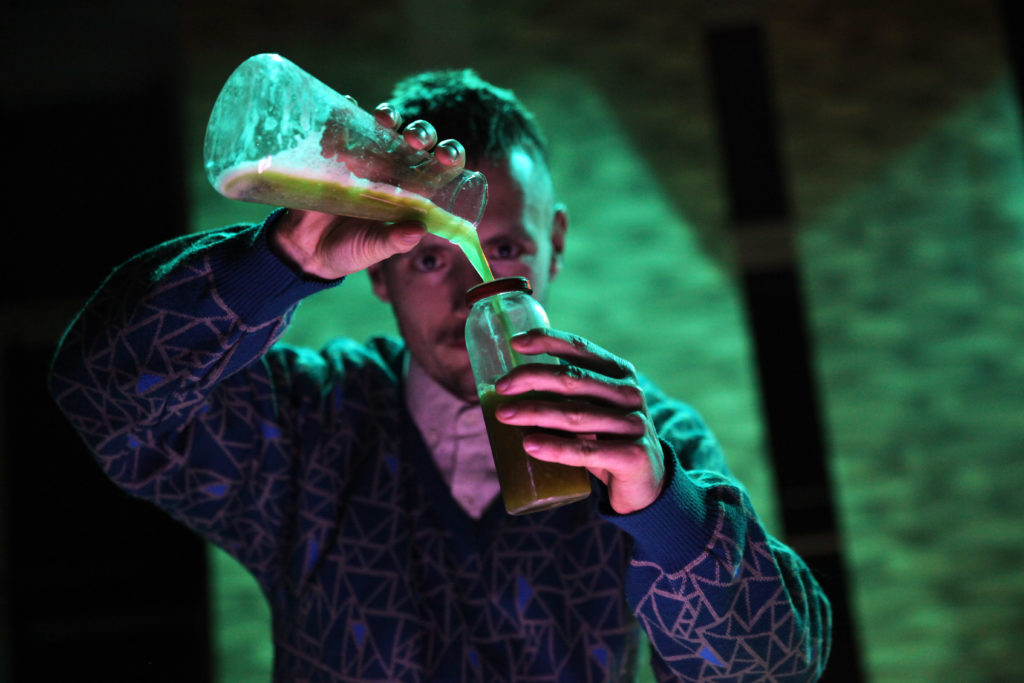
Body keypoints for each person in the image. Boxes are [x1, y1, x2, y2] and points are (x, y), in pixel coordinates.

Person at [49, 68, 831, 681]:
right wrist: (280, 261)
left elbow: (771, 668)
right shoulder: (307, 420)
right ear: (377, 273)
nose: (474, 290)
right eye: (429, 256)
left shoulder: (649, 441)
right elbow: (100, 390)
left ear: (554, 244)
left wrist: (661, 501)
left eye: (510, 250)